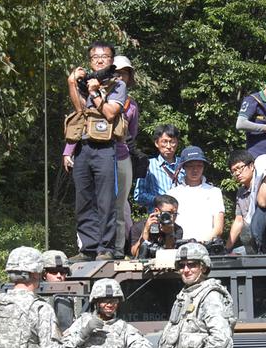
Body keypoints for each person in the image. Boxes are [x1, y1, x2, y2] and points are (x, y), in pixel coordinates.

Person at [64, 40, 127, 262]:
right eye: (95, 57)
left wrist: (96, 93)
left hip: (104, 148)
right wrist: (73, 83)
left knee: (106, 200)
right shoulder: (85, 82)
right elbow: (80, 108)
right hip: (83, 146)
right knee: (84, 198)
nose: (99, 60)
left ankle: (105, 248)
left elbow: (111, 114)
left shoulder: (117, 84)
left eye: (105, 56)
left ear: (111, 60)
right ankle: (88, 248)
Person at [166, 146, 224, 243]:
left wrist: (203, 243)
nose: (195, 170)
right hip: (178, 247)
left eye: (199, 165)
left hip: (207, 247)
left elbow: (218, 227)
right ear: (184, 167)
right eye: (190, 166)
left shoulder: (214, 192)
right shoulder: (172, 193)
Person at [133, 124, 183, 211]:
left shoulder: (184, 164)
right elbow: (138, 195)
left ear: (177, 143)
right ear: (157, 143)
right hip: (158, 217)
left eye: (172, 142)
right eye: (164, 141)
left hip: (182, 215)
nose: (168, 146)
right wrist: (158, 200)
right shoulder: (148, 165)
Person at [130, 194, 184, 258]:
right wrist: (146, 231)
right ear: (156, 211)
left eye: (174, 214)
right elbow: (135, 254)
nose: (171, 217)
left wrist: (169, 234)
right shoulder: (138, 227)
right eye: (168, 213)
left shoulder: (177, 229)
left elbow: (170, 255)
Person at [224, 150, 256, 253]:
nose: (237, 173)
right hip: (250, 243)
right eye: (233, 171)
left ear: (251, 166)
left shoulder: (262, 186)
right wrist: (227, 249)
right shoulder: (240, 192)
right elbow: (239, 221)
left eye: (240, 168)